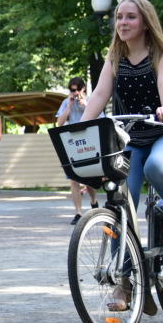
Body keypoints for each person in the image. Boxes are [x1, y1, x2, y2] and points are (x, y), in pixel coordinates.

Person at [81, 0, 163, 311]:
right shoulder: (114, 59)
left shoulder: (162, 54)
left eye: (130, 17)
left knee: (158, 168)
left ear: (145, 22)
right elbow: (99, 96)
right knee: (120, 201)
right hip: (132, 142)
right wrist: (79, 130)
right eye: (119, 17)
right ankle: (126, 283)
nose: (123, 23)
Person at [56, 76, 100, 224]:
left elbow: (101, 120)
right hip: (72, 144)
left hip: (88, 143)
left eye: (77, 90)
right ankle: (78, 213)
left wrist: (85, 106)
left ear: (83, 89)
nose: (74, 93)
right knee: (74, 179)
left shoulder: (93, 101)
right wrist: (69, 106)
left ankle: (94, 201)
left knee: (88, 178)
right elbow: (59, 123)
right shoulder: (66, 102)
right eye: (72, 90)